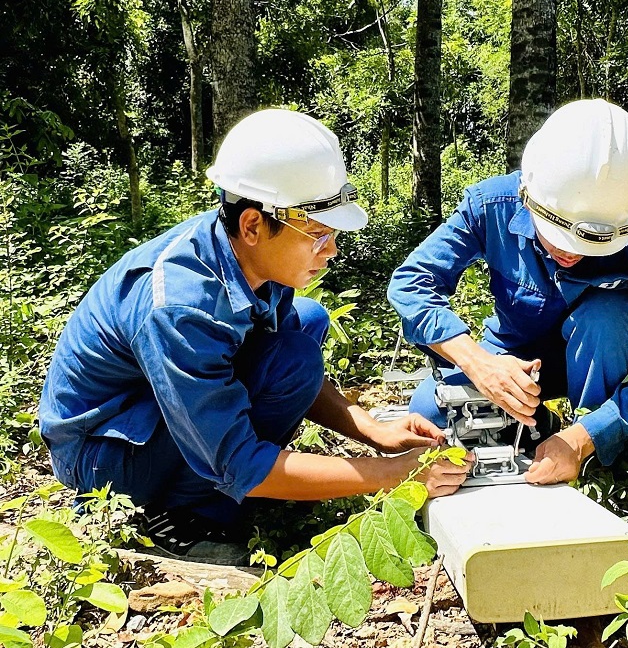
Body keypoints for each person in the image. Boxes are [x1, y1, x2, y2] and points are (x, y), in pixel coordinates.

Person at [39, 109, 469, 565]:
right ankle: (178, 517)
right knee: (248, 443)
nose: (333, 251)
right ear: (252, 226)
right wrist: (389, 475)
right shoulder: (181, 309)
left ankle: (233, 487)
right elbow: (236, 461)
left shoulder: (254, 254)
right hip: (102, 455)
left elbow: (292, 360)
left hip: (144, 418)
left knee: (303, 327)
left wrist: (374, 431)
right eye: (319, 235)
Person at [388, 99, 628, 485]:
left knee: (605, 316)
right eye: (556, 235)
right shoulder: (490, 205)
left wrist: (584, 438)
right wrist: (478, 363)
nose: (569, 252)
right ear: (525, 193)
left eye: (589, 245)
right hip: (512, 357)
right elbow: (412, 282)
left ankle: (603, 471)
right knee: (428, 413)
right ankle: (540, 425)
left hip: (602, 364)